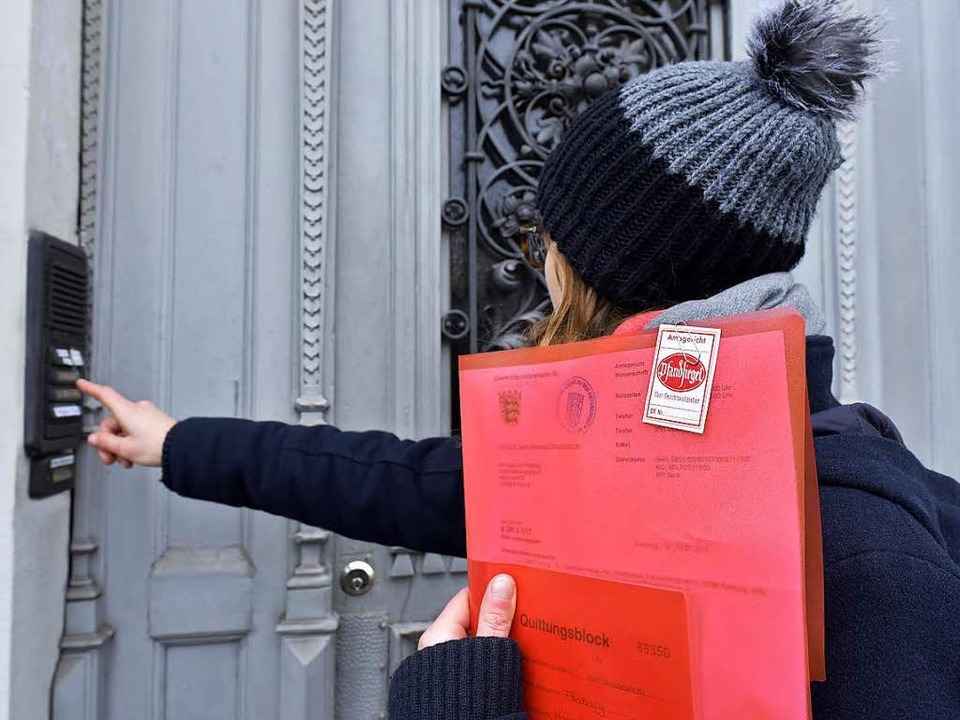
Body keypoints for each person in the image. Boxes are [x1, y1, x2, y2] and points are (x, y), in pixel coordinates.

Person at [77, 1, 960, 718]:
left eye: (553, 238)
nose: (538, 258)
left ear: (613, 267)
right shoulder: (608, 454)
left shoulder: (863, 551)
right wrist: (176, 442)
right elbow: (399, 480)